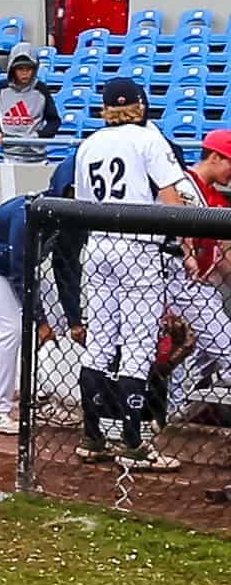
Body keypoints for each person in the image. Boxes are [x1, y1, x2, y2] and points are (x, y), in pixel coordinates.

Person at [73, 79, 186, 468]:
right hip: (138, 247)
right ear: (140, 105)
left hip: (99, 245)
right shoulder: (147, 138)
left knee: (100, 342)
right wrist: (183, 244)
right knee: (137, 346)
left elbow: (81, 205)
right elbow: (171, 199)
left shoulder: (88, 144)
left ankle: (92, 436)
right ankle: (133, 441)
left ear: (105, 109)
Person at [0, 162, 83, 434]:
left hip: (16, 269)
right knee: (11, 328)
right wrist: (40, 321)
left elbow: (67, 269)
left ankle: (45, 397)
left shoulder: (75, 219)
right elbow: (19, 273)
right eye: (72, 191)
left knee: (58, 322)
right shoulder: (27, 212)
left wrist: (74, 321)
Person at [164, 130, 231, 423]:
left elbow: (227, 255)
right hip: (168, 280)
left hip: (199, 288)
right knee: (174, 356)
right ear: (215, 156)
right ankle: (168, 419)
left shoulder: (218, 199)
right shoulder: (182, 185)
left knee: (204, 357)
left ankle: (177, 418)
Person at [0, 43, 59, 159]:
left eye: (29, 69)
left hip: (36, 155)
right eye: (20, 69)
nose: (25, 73)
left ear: (35, 69)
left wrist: (38, 136)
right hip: (8, 155)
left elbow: (54, 121)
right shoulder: (2, 88)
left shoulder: (41, 89)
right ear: (12, 69)